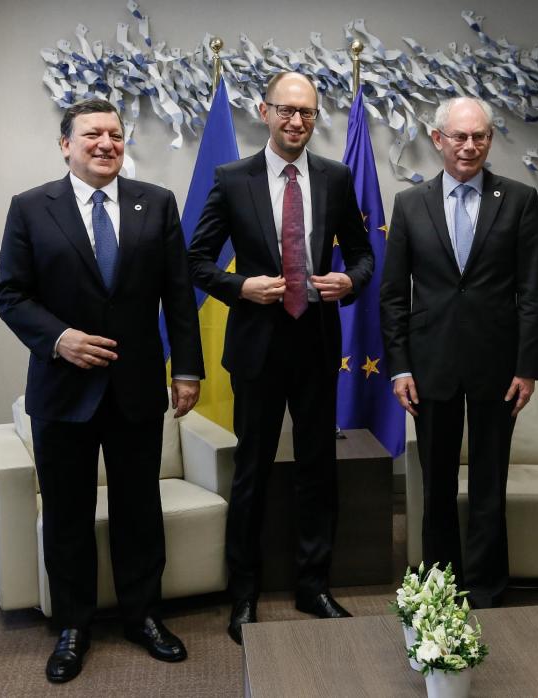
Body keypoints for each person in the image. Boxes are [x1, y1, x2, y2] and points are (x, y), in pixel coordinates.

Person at [0, 99, 204, 683]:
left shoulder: (155, 203)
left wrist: (187, 370)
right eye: (92, 134)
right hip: (63, 392)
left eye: (114, 134)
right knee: (67, 513)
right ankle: (73, 625)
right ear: (66, 144)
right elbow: (10, 294)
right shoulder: (32, 208)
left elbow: (179, 295)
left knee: (140, 508)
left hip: (137, 389)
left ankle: (143, 615)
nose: (105, 143)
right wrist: (58, 339)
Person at [187, 72, 374, 644]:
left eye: (308, 114)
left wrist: (351, 280)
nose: (297, 122)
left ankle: (313, 586)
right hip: (257, 348)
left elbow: (365, 256)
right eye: (286, 111)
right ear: (263, 111)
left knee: (319, 470)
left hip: (318, 346)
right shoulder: (232, 178)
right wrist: (240, 288)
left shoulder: (336, 178)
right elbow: (195, 260)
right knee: (253, 472)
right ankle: (243, 595)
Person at [379, 97, 538, 609]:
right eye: (459, 137)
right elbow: (393, 295)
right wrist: (400, 366)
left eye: (480, 137)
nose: (470, 146)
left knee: (490, 483)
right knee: (436, 487)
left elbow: (532, 290)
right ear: (438, 139)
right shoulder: (410, 205)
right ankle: (441, 589)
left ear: (490, 141)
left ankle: (490, 588)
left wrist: (527, 367)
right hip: (430, 366)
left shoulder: (518, 199)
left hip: (499, 366)